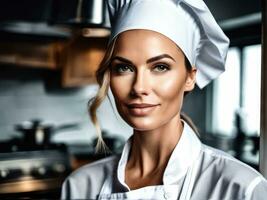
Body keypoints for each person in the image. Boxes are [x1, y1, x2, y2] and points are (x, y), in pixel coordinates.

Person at [61, 0, 267, 199]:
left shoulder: (241, 188)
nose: (139, 87)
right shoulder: (80, 186)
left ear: (189, 77)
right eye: (124, 68)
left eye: (160, 67)